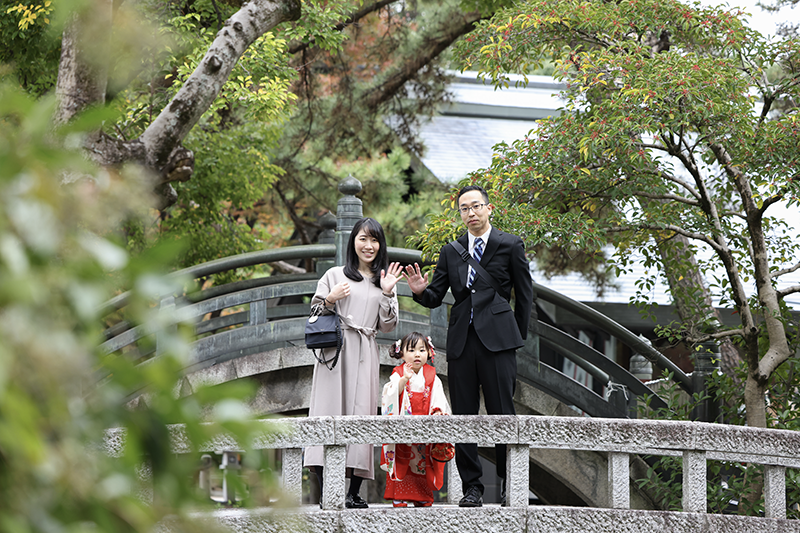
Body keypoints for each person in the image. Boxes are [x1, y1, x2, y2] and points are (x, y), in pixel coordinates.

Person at [404, 185, 534, 507]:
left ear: (489, 209)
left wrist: (515, 337)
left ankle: (509, 483)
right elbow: (436, 295)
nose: (471, 213)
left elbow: (525, 295)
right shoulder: (452, 250)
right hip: (462, 341)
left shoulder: (510, 244)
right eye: (464, 208)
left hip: (499, 343)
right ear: (460, 214)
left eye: (476, 206)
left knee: (502, 412)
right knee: (463, 414)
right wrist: (420, 291)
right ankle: (471, 487)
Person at [304, 217, 404, 509]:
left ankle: (353, 491)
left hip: (365, 351)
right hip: (334, 354)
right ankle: (324, 492)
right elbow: (314, 311)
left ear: (380, 245)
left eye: (374, 240)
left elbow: (388, 326)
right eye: (363, 238)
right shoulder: (335, 275)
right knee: (327, 411)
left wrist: (387, 293)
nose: (368, 245)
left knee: (360, 415)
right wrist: (331, 299)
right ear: (353, 242)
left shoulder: (384, 281)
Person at [380, 332, 451, 508]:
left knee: (422, 462)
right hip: (404, 426)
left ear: (429, 352)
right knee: (403, 461)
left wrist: (437, 411)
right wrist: (404, 379)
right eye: (411, 350)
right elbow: (390, 394)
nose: (417, 354)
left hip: (424, 428)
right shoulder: (398, 373)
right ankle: (400, 495)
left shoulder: (432, 376)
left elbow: (438, 399)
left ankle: (422, 496)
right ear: (402, 354)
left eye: (422, 350)